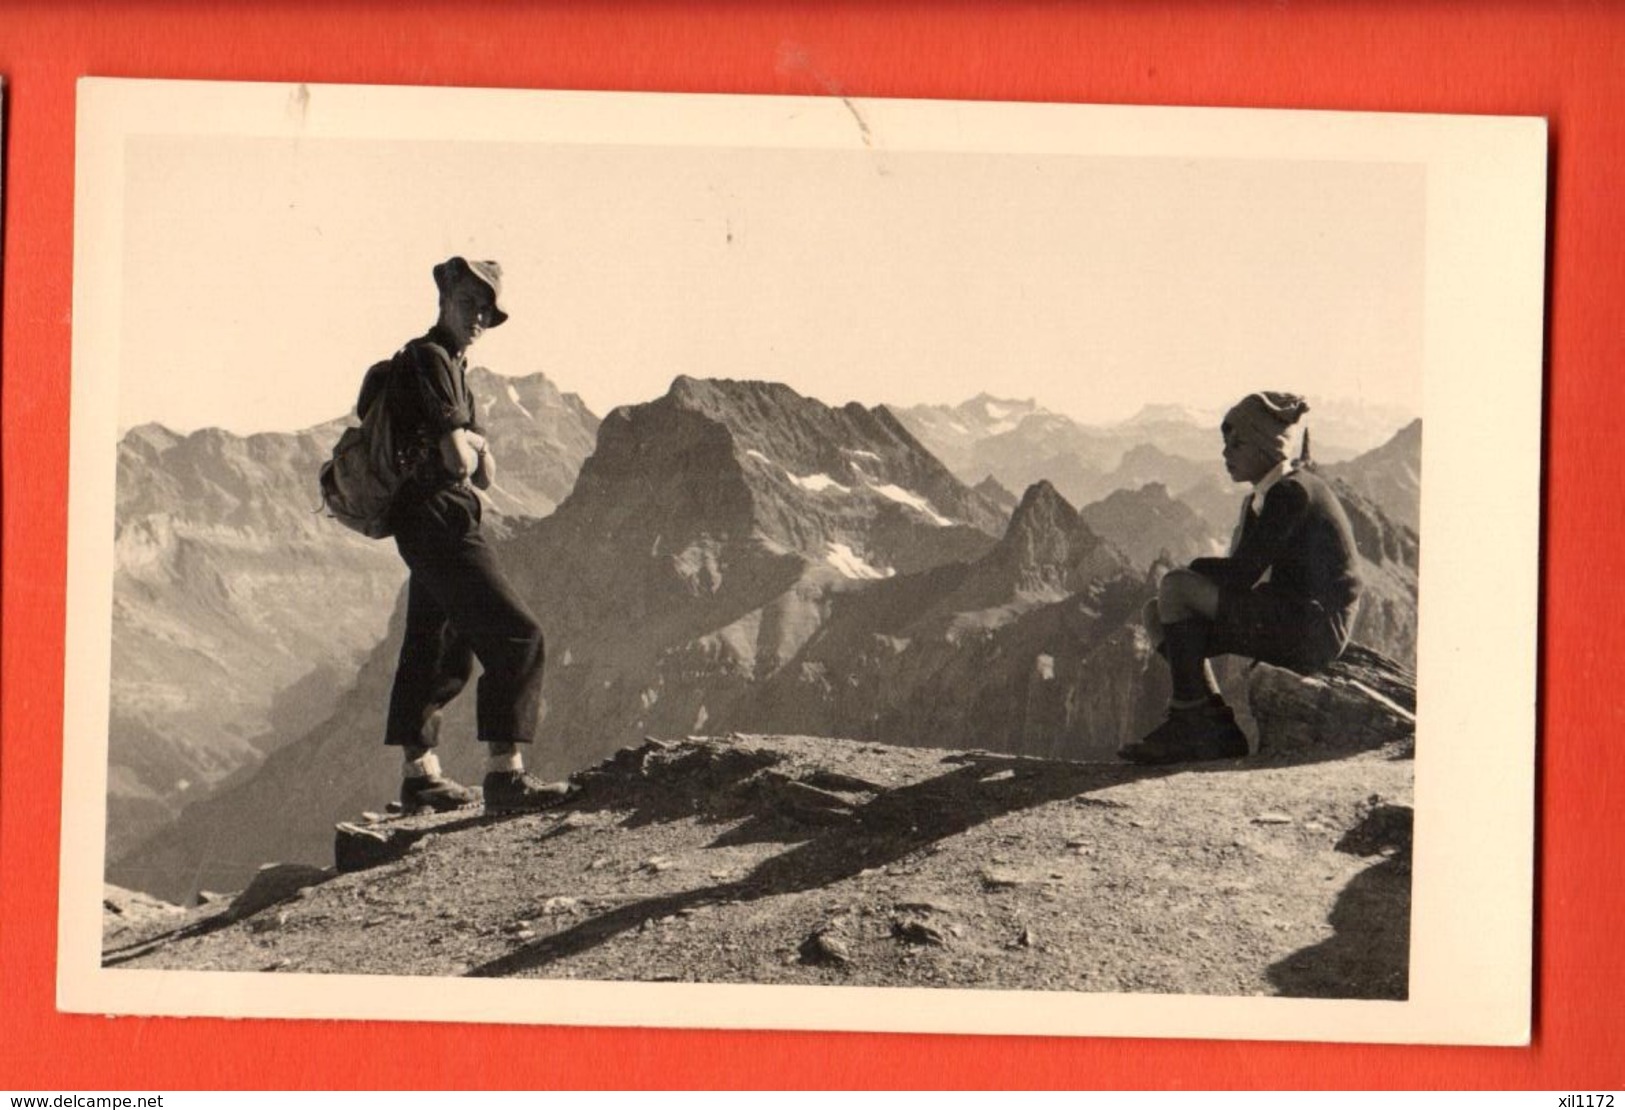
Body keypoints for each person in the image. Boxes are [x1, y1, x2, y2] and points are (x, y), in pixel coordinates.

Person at [358, 256, 576, 812]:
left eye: (487, 309)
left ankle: (419, 776)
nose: (479, 316)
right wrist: (472, 444)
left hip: (424, 518)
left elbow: (483, 472)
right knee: (518, 635)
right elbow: (464, 462)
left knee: (434, 646)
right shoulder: (432, 360)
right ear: (444, 301)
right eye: (469, 304)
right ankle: (506, 776)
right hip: (439, 515)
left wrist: (470, 449)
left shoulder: (452, 366)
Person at [1119, 391, 1363, 765]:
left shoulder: (1291, 493)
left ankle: (1190, 722)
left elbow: (1241, 575)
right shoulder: (1264, 497)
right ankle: (1213, 724)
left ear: (1267, 448)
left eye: (1237, 444)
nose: (1226, 453)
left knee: (1175, 589)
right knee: (1156, 614)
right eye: (1225, 443)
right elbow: (1240, 575)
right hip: (1289, 614)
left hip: (1315, 627)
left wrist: (1189, 575)